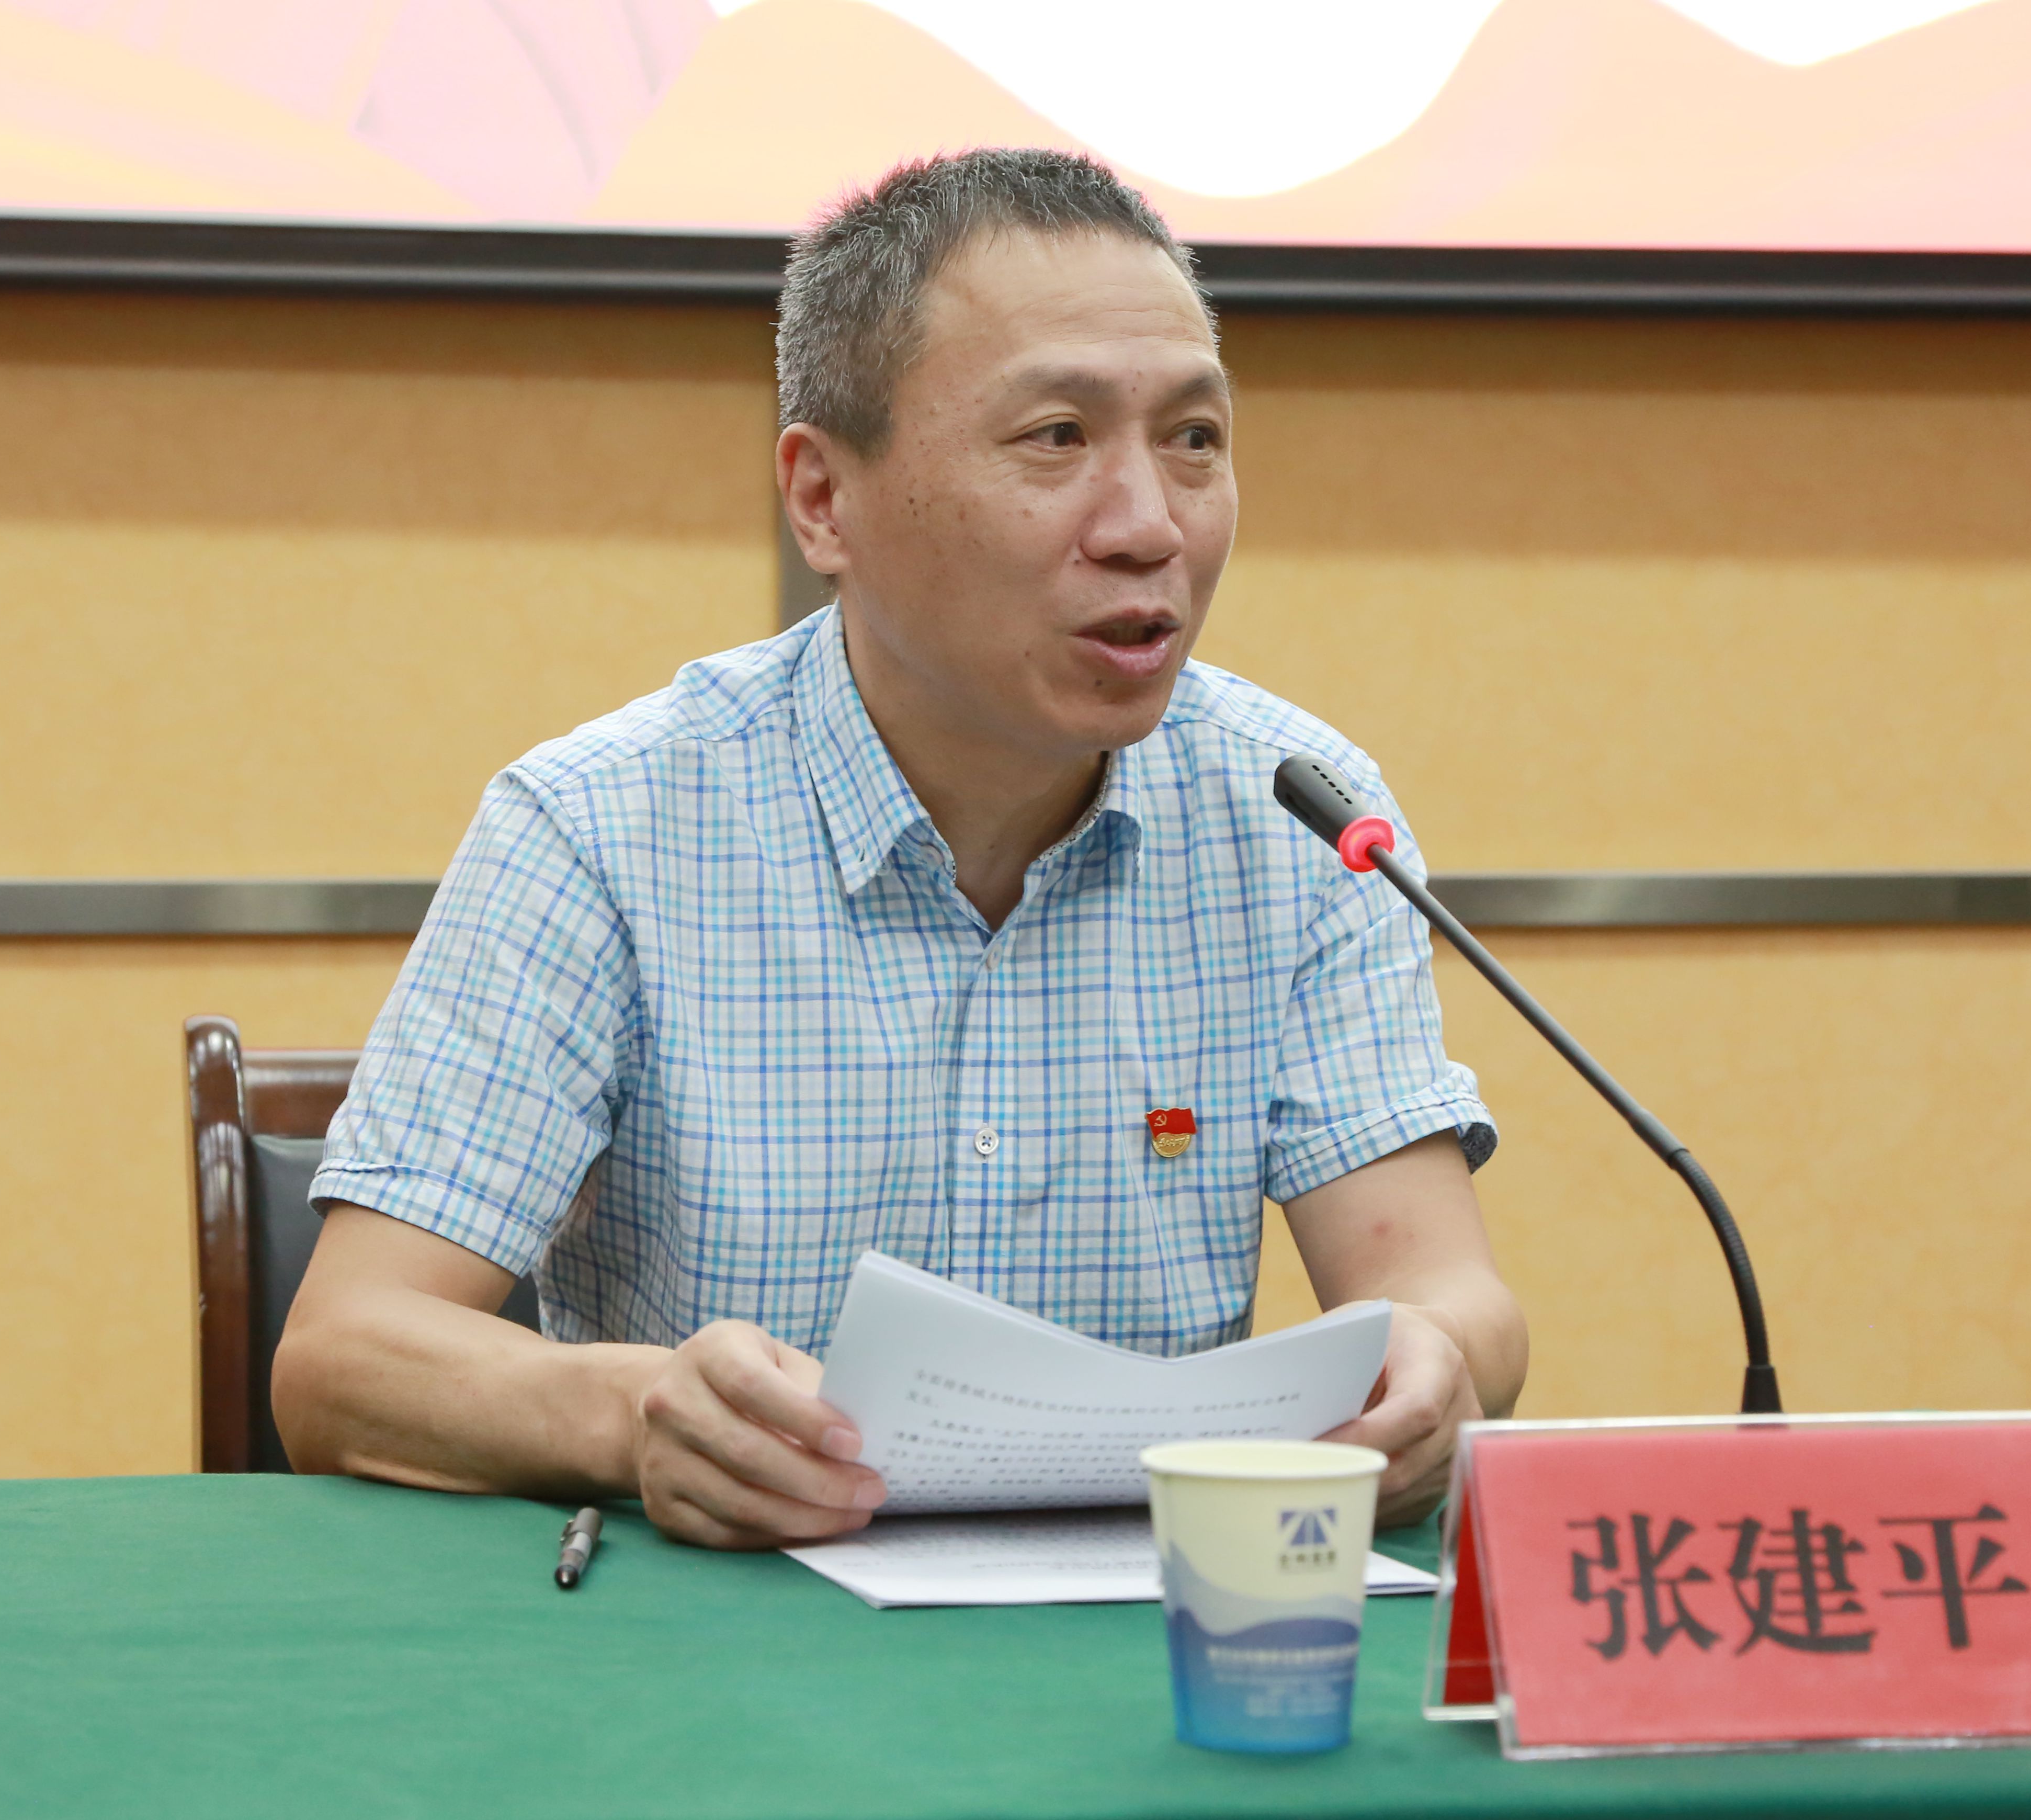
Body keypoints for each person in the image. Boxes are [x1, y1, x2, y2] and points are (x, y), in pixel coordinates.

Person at [275, 149, 1526, 1549]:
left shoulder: (1295, 815)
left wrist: (1436, 1365)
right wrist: (633, 1418)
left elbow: (1449, 1293)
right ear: (824, 500)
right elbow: (344, 1357)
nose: (1149, 525)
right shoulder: (606, 827)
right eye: (1056, 436)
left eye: (1193, 438)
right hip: (738, 1630)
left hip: (1142, 1634)